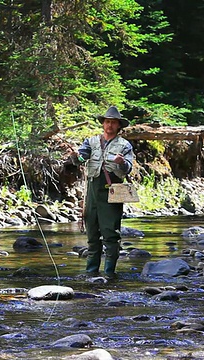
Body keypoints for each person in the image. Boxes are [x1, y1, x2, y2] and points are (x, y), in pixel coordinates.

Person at [74, 106, 134, 279]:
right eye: (107, 122)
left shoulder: (124, 145)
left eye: (113, 123)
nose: (109, 125)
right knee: (92, 230)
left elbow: (128, 169)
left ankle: (109, 273)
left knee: (110, 232)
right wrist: (76, 158)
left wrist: (121, 163)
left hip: (113, 190)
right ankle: (91, 271)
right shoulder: (91, 141)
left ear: (118, 126)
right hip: (92, 189)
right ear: (103, 124)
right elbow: (82, 157)